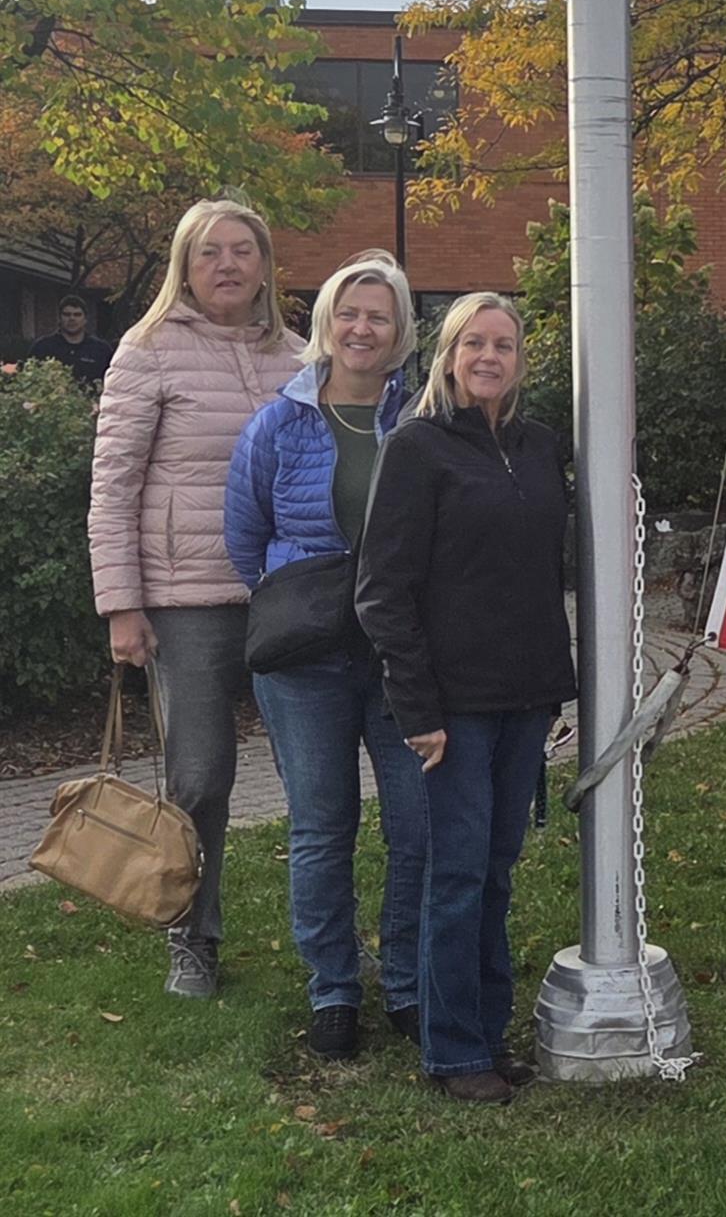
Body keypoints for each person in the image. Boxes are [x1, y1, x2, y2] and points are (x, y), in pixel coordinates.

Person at [355, 293, 577, 1105]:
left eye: (505, 344)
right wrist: (417, 710)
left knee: (497, 869)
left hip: (526, 697)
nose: (489, 356)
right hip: (451, 709)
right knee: (455, 875)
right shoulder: (416, 450)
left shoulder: (539, 445)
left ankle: (487, 1031)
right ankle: (451, 1051)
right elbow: (382, 592)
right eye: (473, 343)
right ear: (448, 356)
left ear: (521, 359)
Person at [88, 198, 305, 998]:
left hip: (289, 597)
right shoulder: (147, 352)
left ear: (264, 264)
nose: (227, 265)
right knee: (202, 778)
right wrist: (122, 604)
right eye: (210, 251)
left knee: (310, 773)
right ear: (185, 264)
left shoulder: (298, 356)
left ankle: (329, 942)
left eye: (243, 250)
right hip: (187, 601)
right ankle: (194, 936)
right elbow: (113, 488)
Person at [224, 257, 427, 1059]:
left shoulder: (419, 418)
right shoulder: (279, 422)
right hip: (307, 659)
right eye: (349, 314)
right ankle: (334, 991)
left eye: (378, 316)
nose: (362, 329)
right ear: (327, 324)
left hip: (400, 655)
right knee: (321, 828)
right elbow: (246, 539)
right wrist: (300, 595)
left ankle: (408, 983)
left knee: (416, 827)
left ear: (400, 329)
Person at [30, 294, 115, 390]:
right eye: (67, 314)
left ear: (85, 319)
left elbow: (113, 382)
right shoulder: (42, 347)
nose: (72, 319)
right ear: (59, 318)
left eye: (77, 315)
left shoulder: (101, 350)